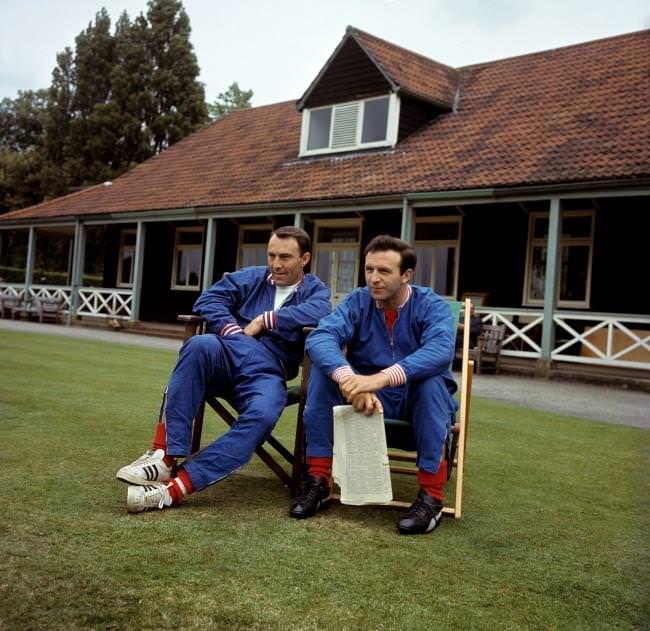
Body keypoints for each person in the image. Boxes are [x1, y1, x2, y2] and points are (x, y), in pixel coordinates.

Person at [116, 226, 331, 513]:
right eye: (271, 255)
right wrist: (231, 329)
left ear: (304, 259)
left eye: (285, 257)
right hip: (227, 351)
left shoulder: (315, 290)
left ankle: (175, 488)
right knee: (199, 344)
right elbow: (208, 299)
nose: (276, 264)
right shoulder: (251, 277)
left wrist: (266, 319)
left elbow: (322, 311)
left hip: (268, 370)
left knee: (264, 413)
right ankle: (165, 456)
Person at [289, 235, 458, 535]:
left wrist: (379, 378)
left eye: (384, 271)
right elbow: (320, 337)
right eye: (369, 270)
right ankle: (318, 481)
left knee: (432, 383)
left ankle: (431, 497)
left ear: (406, 275)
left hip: (413, 400)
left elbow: (440, 351)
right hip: (362, 400)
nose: (373, 279)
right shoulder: (357, 301)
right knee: (322, 375)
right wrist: (349, 379)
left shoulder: (431, 306)